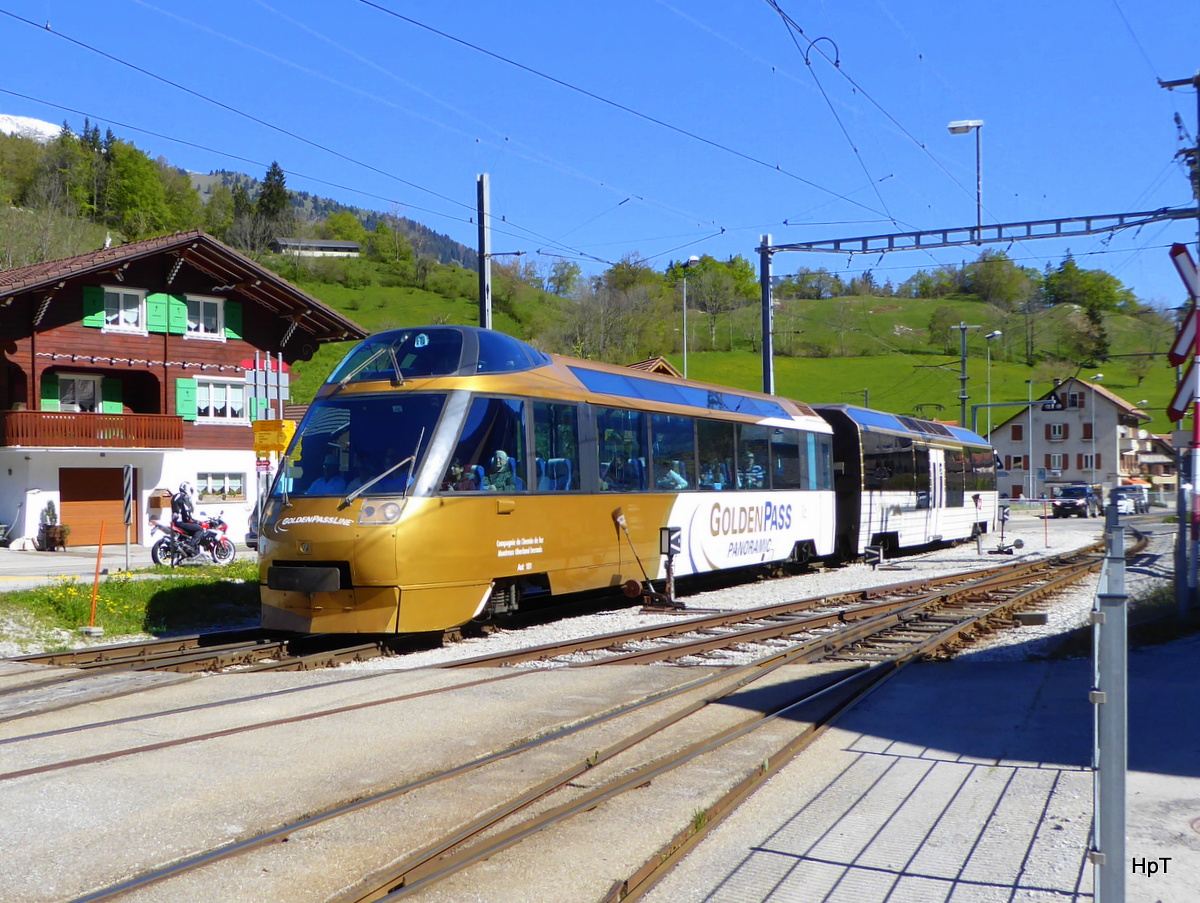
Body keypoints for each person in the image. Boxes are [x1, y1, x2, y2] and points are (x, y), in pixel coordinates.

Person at [171, 481, 204, 550]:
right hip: (181, 522)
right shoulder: (184, 497)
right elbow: (187, 513)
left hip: (175, 521)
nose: (191, 491)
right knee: (200, 529)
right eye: (191, 489)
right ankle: (190, 546)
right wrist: (196, 521)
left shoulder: (175, 496)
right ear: (187, 488)